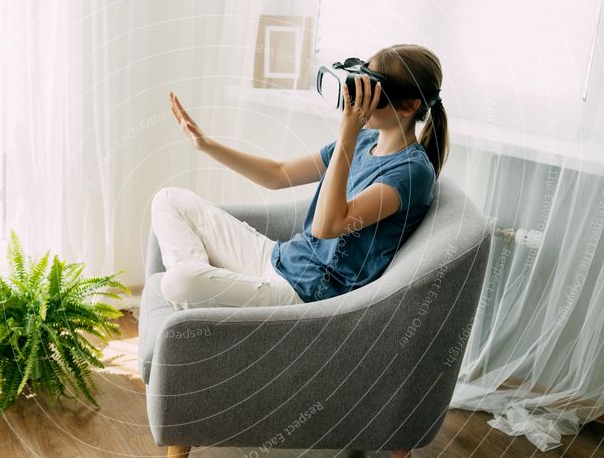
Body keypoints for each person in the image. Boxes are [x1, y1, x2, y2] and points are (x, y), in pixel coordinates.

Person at [151, 44, 448, 310]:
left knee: (177, 284)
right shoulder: (364, 140)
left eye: (373, 89)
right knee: (168, 200)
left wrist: (347, 133)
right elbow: (278, 174)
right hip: (280, 258)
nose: (361, 97)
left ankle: (205, 292)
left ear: (410, 105)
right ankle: (212, 294)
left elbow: (326, 227)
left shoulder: (411, 172)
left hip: (304, 293)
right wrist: (207, 145)